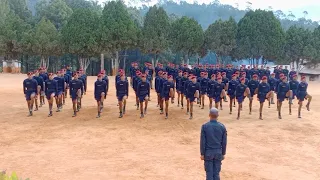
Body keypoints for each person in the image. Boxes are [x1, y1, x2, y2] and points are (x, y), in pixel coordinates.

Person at [200, 108, 227, 180]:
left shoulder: (205, 126)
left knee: (209, 174)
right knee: (216, 174)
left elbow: (203, 142)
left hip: (208, 153)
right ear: (218, 115)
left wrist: (202, 154)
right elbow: (224, 142)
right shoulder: (222, 127)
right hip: (218, 152)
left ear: (209, 115)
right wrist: (223, 153)